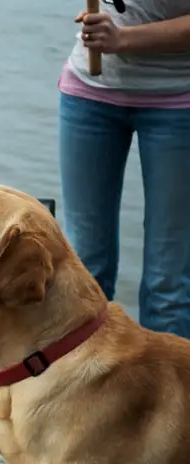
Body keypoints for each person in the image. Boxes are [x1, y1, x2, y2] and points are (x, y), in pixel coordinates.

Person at [57, 0, 190, 338]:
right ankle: (83, 386)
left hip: (179, 100)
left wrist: (122, 39)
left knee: (169, 284)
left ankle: (166, 388)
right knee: (85, 267)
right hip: (90, 93)